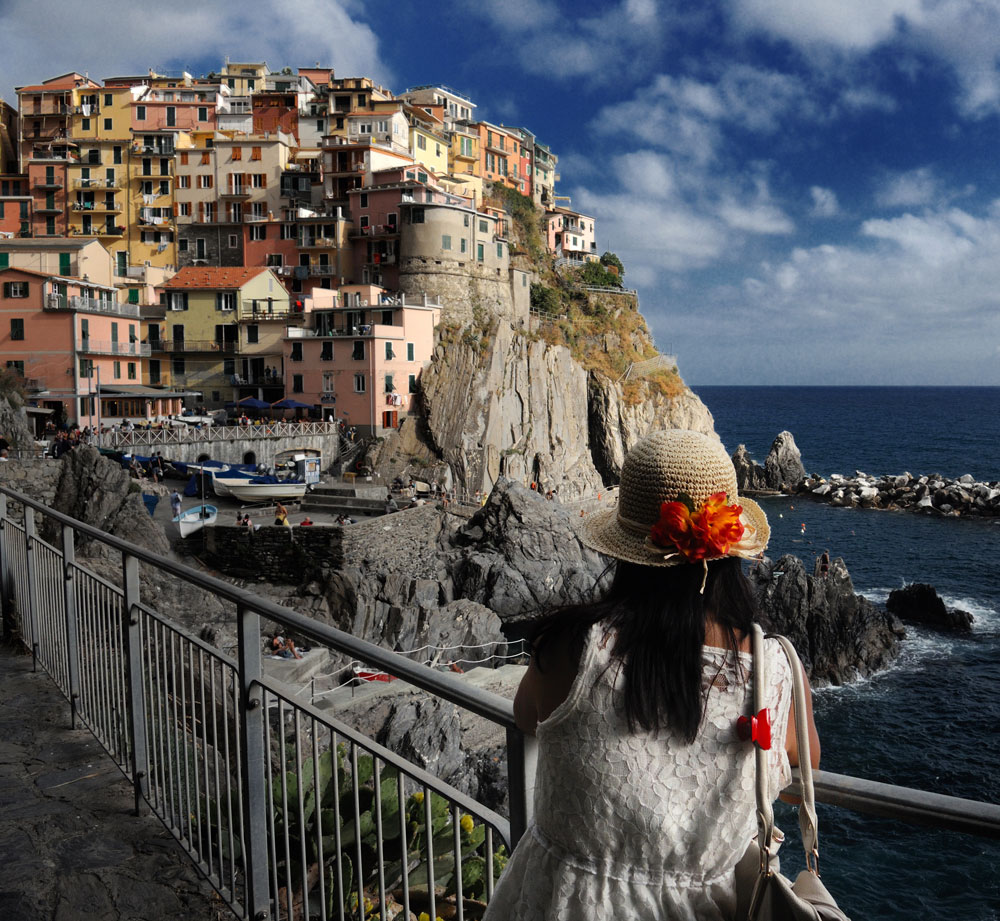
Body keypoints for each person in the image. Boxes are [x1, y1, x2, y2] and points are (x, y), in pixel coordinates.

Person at [482, 429, 820, 921]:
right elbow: (803, 754)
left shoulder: (571, 648)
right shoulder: (775, 671)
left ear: (627, 551)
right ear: (729, 552)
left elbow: (527, 717)